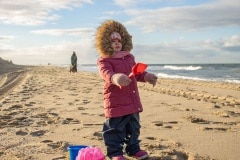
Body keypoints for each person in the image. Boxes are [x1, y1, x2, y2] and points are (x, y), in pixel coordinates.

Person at [95, 20, 157, 160]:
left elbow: (136, 73)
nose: (117, 43)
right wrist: (115, 78)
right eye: (113, 41)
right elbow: (106, 73)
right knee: (114, 128)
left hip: (132, 99)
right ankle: (115, 152)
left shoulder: (129, 58)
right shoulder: (104, 60)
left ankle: (133, 148)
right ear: (106, 43)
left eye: (119, 40)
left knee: (133, 127)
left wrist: (148, 76)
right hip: (115, 101)